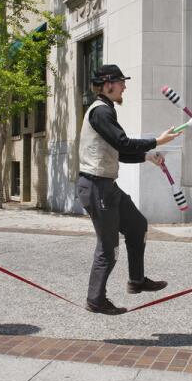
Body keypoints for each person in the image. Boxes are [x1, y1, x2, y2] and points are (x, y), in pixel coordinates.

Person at [76, 64, 181, 315]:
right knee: (108, 248)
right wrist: (157, 140)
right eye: (121, 82)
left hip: (106, 186)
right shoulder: (101, 111)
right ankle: (95, 299)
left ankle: (137, 280)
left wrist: (147, 156)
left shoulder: (106, 110)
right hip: (96, 187)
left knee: (137, 225)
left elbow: (119, 151)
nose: (124, 86)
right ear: (108, 85)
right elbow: (123, 143)